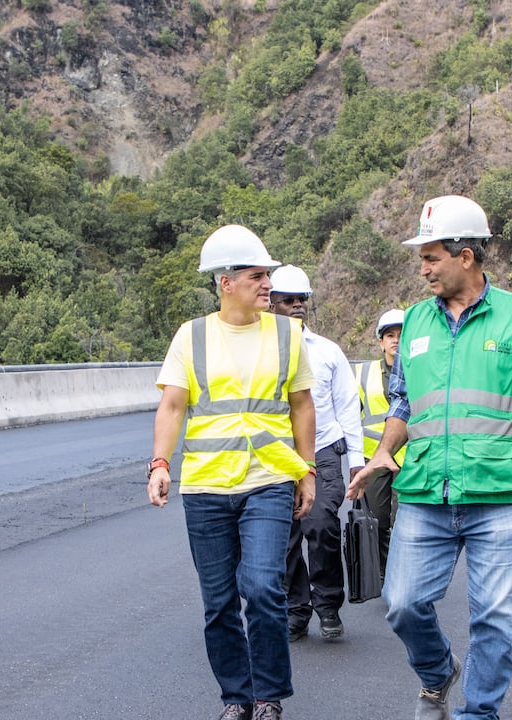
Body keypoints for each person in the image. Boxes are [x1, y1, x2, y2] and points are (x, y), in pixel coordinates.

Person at [346, 196, 512, 720]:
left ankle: (478, 714)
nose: (423, 268)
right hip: (425, 490)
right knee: (402, 602)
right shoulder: (413, 322)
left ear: (466, 255)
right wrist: (385, 451)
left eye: (432, 257)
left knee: (495, 619)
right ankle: (438, 672)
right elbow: (406, 402)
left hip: (495, 494)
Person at [147, 225, 318, 720]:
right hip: (205, 487)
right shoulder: (192, 335)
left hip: (268, 479)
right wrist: (160, 463)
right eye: (257, 275)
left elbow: (302, 405)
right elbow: (172, 406)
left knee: (264, 587)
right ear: (226, 282)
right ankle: (236, 698)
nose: (268, 284)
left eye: (268, 275)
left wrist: (306, 471)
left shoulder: (287, 333)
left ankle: (269, 697)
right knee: (218, 602)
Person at [266, 264, 364, 642]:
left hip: (322, 453)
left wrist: (357, 461)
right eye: (287, 300)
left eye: (301, 299)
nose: (296, 306)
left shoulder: (327, 352)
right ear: (270, 303)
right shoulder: (260, 352)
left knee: (321, 526)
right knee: (284, 536)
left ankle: (327, 605)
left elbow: (346, 406)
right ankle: (296, 608)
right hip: (276, 457)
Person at [353, 308, 406, 575]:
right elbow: (351, 415)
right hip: (373, 458)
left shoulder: (421, 371)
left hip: (411, 457)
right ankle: (385, 571)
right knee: (378, 519)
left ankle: (400, 575)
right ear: (380, 341)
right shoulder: (363, 373)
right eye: (390, 335)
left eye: (401, 335)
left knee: (405, 520)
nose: (396, 340)